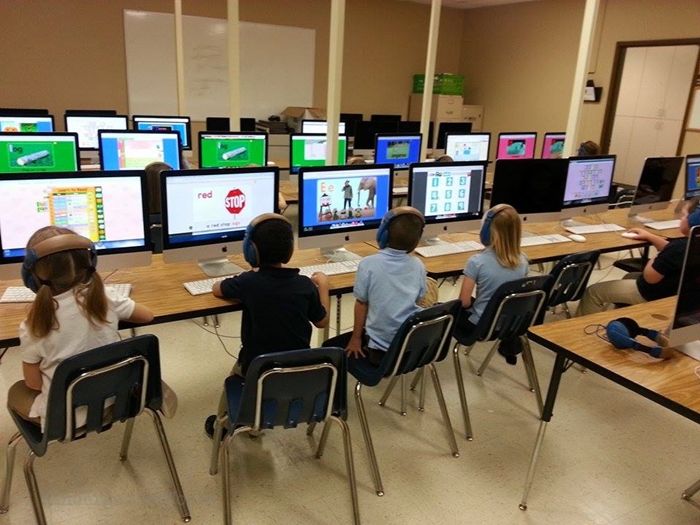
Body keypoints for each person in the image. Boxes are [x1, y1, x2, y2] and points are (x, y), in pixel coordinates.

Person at [8, 226, 176, 430]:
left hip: (65, 418)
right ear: (90, 263)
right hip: (117, 401)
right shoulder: (106, 296)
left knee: (16, 391)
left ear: (30, 276)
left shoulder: (33, 326)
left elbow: (33, 384)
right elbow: (147, 315)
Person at [205, 213, 330, 436]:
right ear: (290, 251)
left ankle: (222, 425)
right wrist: (323, 285)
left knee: (233, 377)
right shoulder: (304, 285)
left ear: (250, 251)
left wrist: (243, 281)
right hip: (297, 369)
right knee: (272, 377)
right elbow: (322, 321)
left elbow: (217, 288)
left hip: (256, 367)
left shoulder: (249, 283)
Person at [323, 206, 436, 365]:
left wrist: (356, 338)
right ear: (416, 241)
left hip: (381, 351)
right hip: (412, 345)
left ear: (383, 234)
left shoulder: (369, 264)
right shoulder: (418, 265)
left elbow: (361, 303)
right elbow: (419, 298)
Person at [577, 197, 700, 316]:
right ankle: (622, 318)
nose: (680, 219)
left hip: (656, 294)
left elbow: (650, 277)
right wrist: (650, 236)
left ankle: (580, 331)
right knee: (629, 276)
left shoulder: (678, 247)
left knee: (593, 292)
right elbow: (672, 251)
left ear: (693, 222)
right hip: (684, 294)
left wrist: (658, 256)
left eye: (684, 216)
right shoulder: (690, 244)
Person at [456, 204, 529, 364]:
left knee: (445, 309)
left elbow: (464, 302)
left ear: (487, 232)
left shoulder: (477, 262)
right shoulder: (523, 260)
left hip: (481, 326)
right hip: (508, 324)